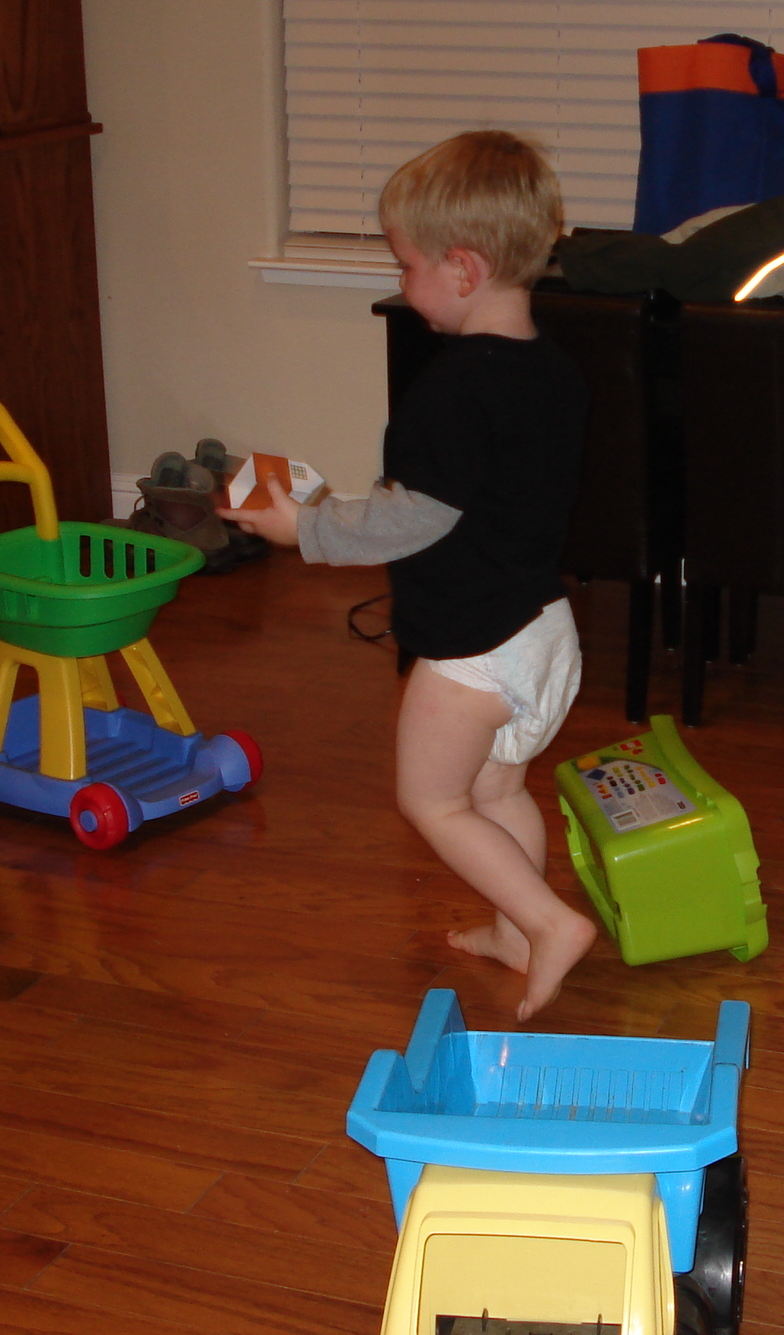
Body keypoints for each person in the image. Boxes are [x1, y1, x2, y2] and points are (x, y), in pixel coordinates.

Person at [222, 131, 597, 1020]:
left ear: (462, 269)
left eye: (407, 265)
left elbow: (412, 518)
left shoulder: (452, 389)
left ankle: (550, 923)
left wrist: (303, 527)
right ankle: (516, 931)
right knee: (496, 788)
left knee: (431, 801)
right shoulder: (552, 369)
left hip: (474, 651)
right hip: (542, 630)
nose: (401, 280)